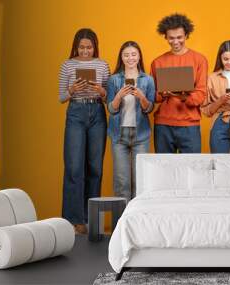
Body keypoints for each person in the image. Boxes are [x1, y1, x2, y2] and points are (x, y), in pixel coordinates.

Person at [59, 28, 110, 234]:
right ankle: (73, 219)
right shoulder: (67, 65)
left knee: (95, 168)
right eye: (82, 47)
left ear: (94, 46)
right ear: (75, 46)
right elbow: (61, 97)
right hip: (76, 112)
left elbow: (109, 97)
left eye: (89, 47)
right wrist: (72, 90)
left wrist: (101, 91)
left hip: (97, 112)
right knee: (74, 167)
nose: (86, 51)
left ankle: (89, 220)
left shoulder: (102, 64)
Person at [150, 13, 208, 153]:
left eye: (179, 37)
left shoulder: (199, 60)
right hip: (163, 124)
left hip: (189, 124)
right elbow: (153, 96)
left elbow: (201, 94)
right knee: (164, 170)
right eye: (171, 38)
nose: (175, 41)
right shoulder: (157, 62)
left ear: (186, 35)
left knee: (193, 170)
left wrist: (184, 97)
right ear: (165, 37)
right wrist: (163, 94)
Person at [107, 41, 155, 201]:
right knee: (122, 182)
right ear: (121, 57)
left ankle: (137, 222)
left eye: (134, 54)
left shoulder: (147, 80)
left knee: (140, 182)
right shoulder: (114, 80)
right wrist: (119, 96)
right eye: (126, 55)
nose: (130, 58)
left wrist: (141, 97)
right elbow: (111, 109)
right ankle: (122, 222)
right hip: (118, 136)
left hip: (141, 135)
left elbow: (149, 109)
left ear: (139, 56)